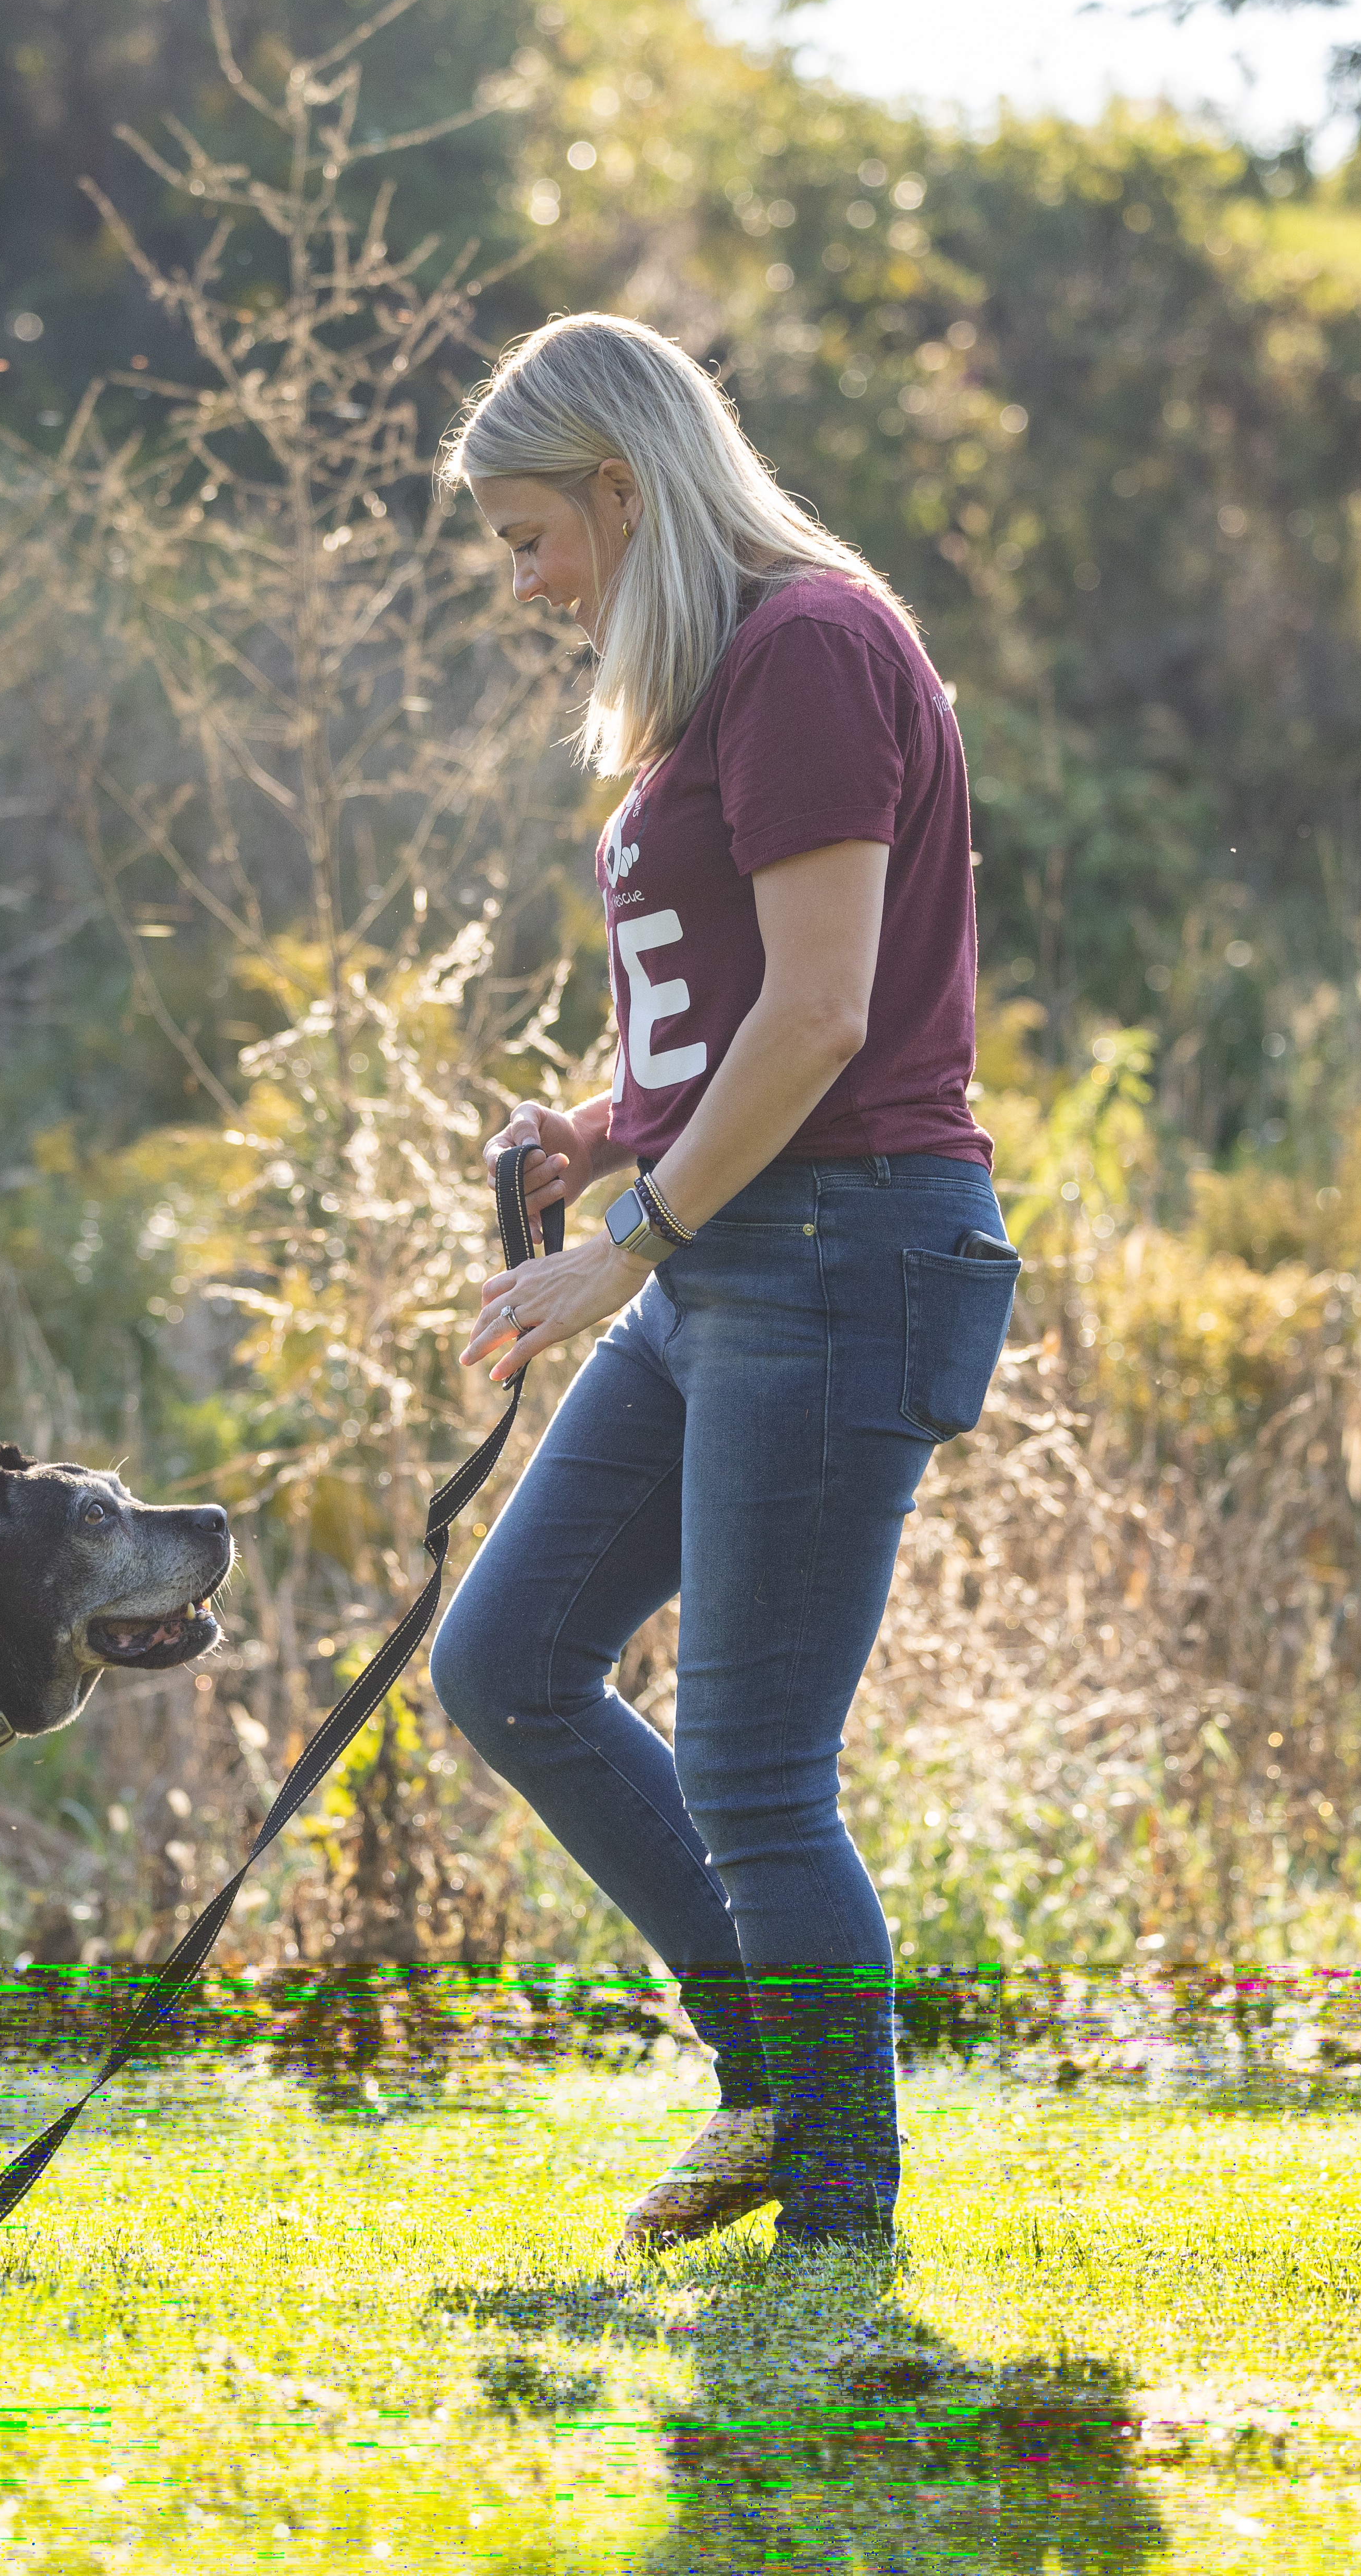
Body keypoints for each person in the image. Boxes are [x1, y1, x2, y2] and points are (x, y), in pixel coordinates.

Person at [428, 312, 1020, 2256]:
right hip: (738, 1237)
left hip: (839, 1250)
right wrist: (614, 1127)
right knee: (508, 1663)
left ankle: (837, 2205)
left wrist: (628, 1246)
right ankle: (773, 2081)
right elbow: (752, 1012)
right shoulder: (723, 680)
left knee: (760, 1769)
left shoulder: (813, 649)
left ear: (624, 485)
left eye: (532, 539)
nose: (527, 587)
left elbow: (838, 1014)